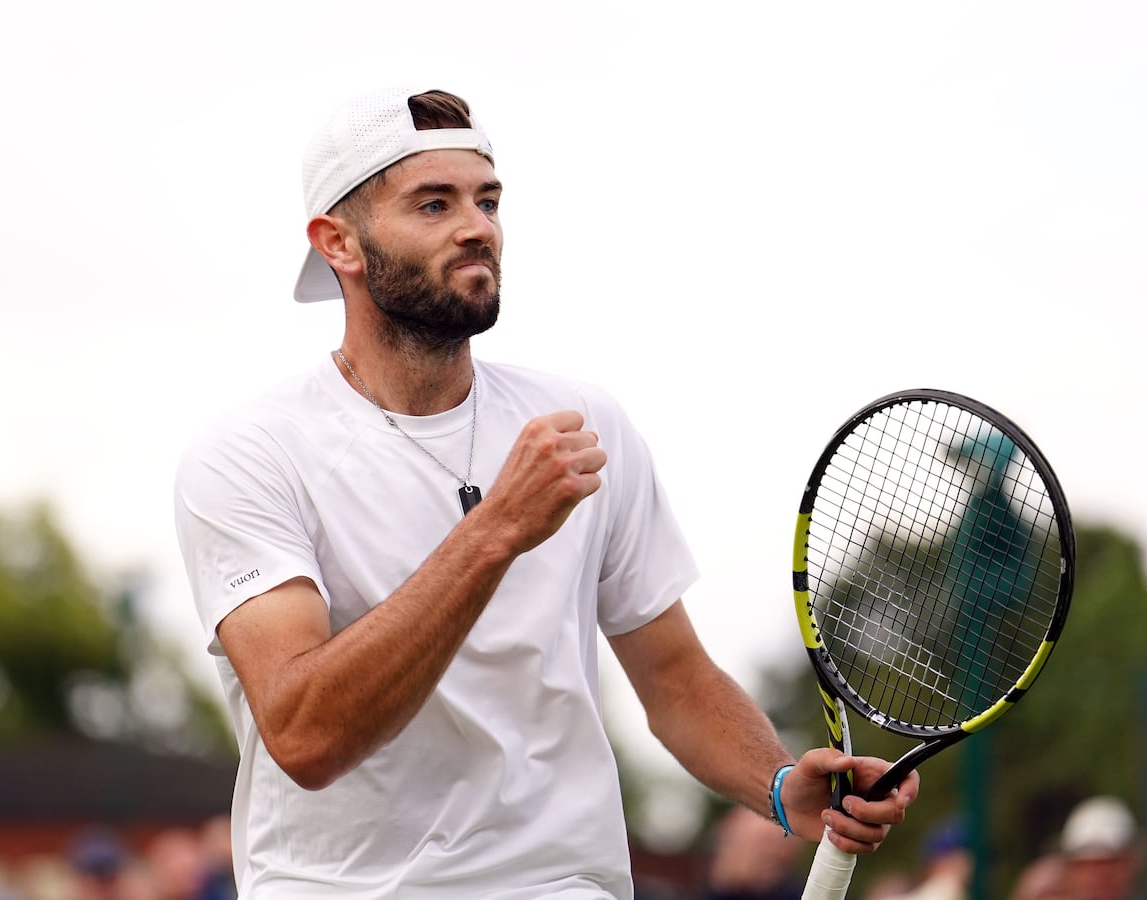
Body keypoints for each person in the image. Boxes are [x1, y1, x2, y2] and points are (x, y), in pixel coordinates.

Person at [173, 83, 919, 899]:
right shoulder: (248, 455)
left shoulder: (582, 423)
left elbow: (674, 680)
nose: (477, 227)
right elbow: (305, 733)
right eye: (433, 203)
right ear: (338, 244)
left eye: (487, 200)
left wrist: (779, 787)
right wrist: (495, 529)